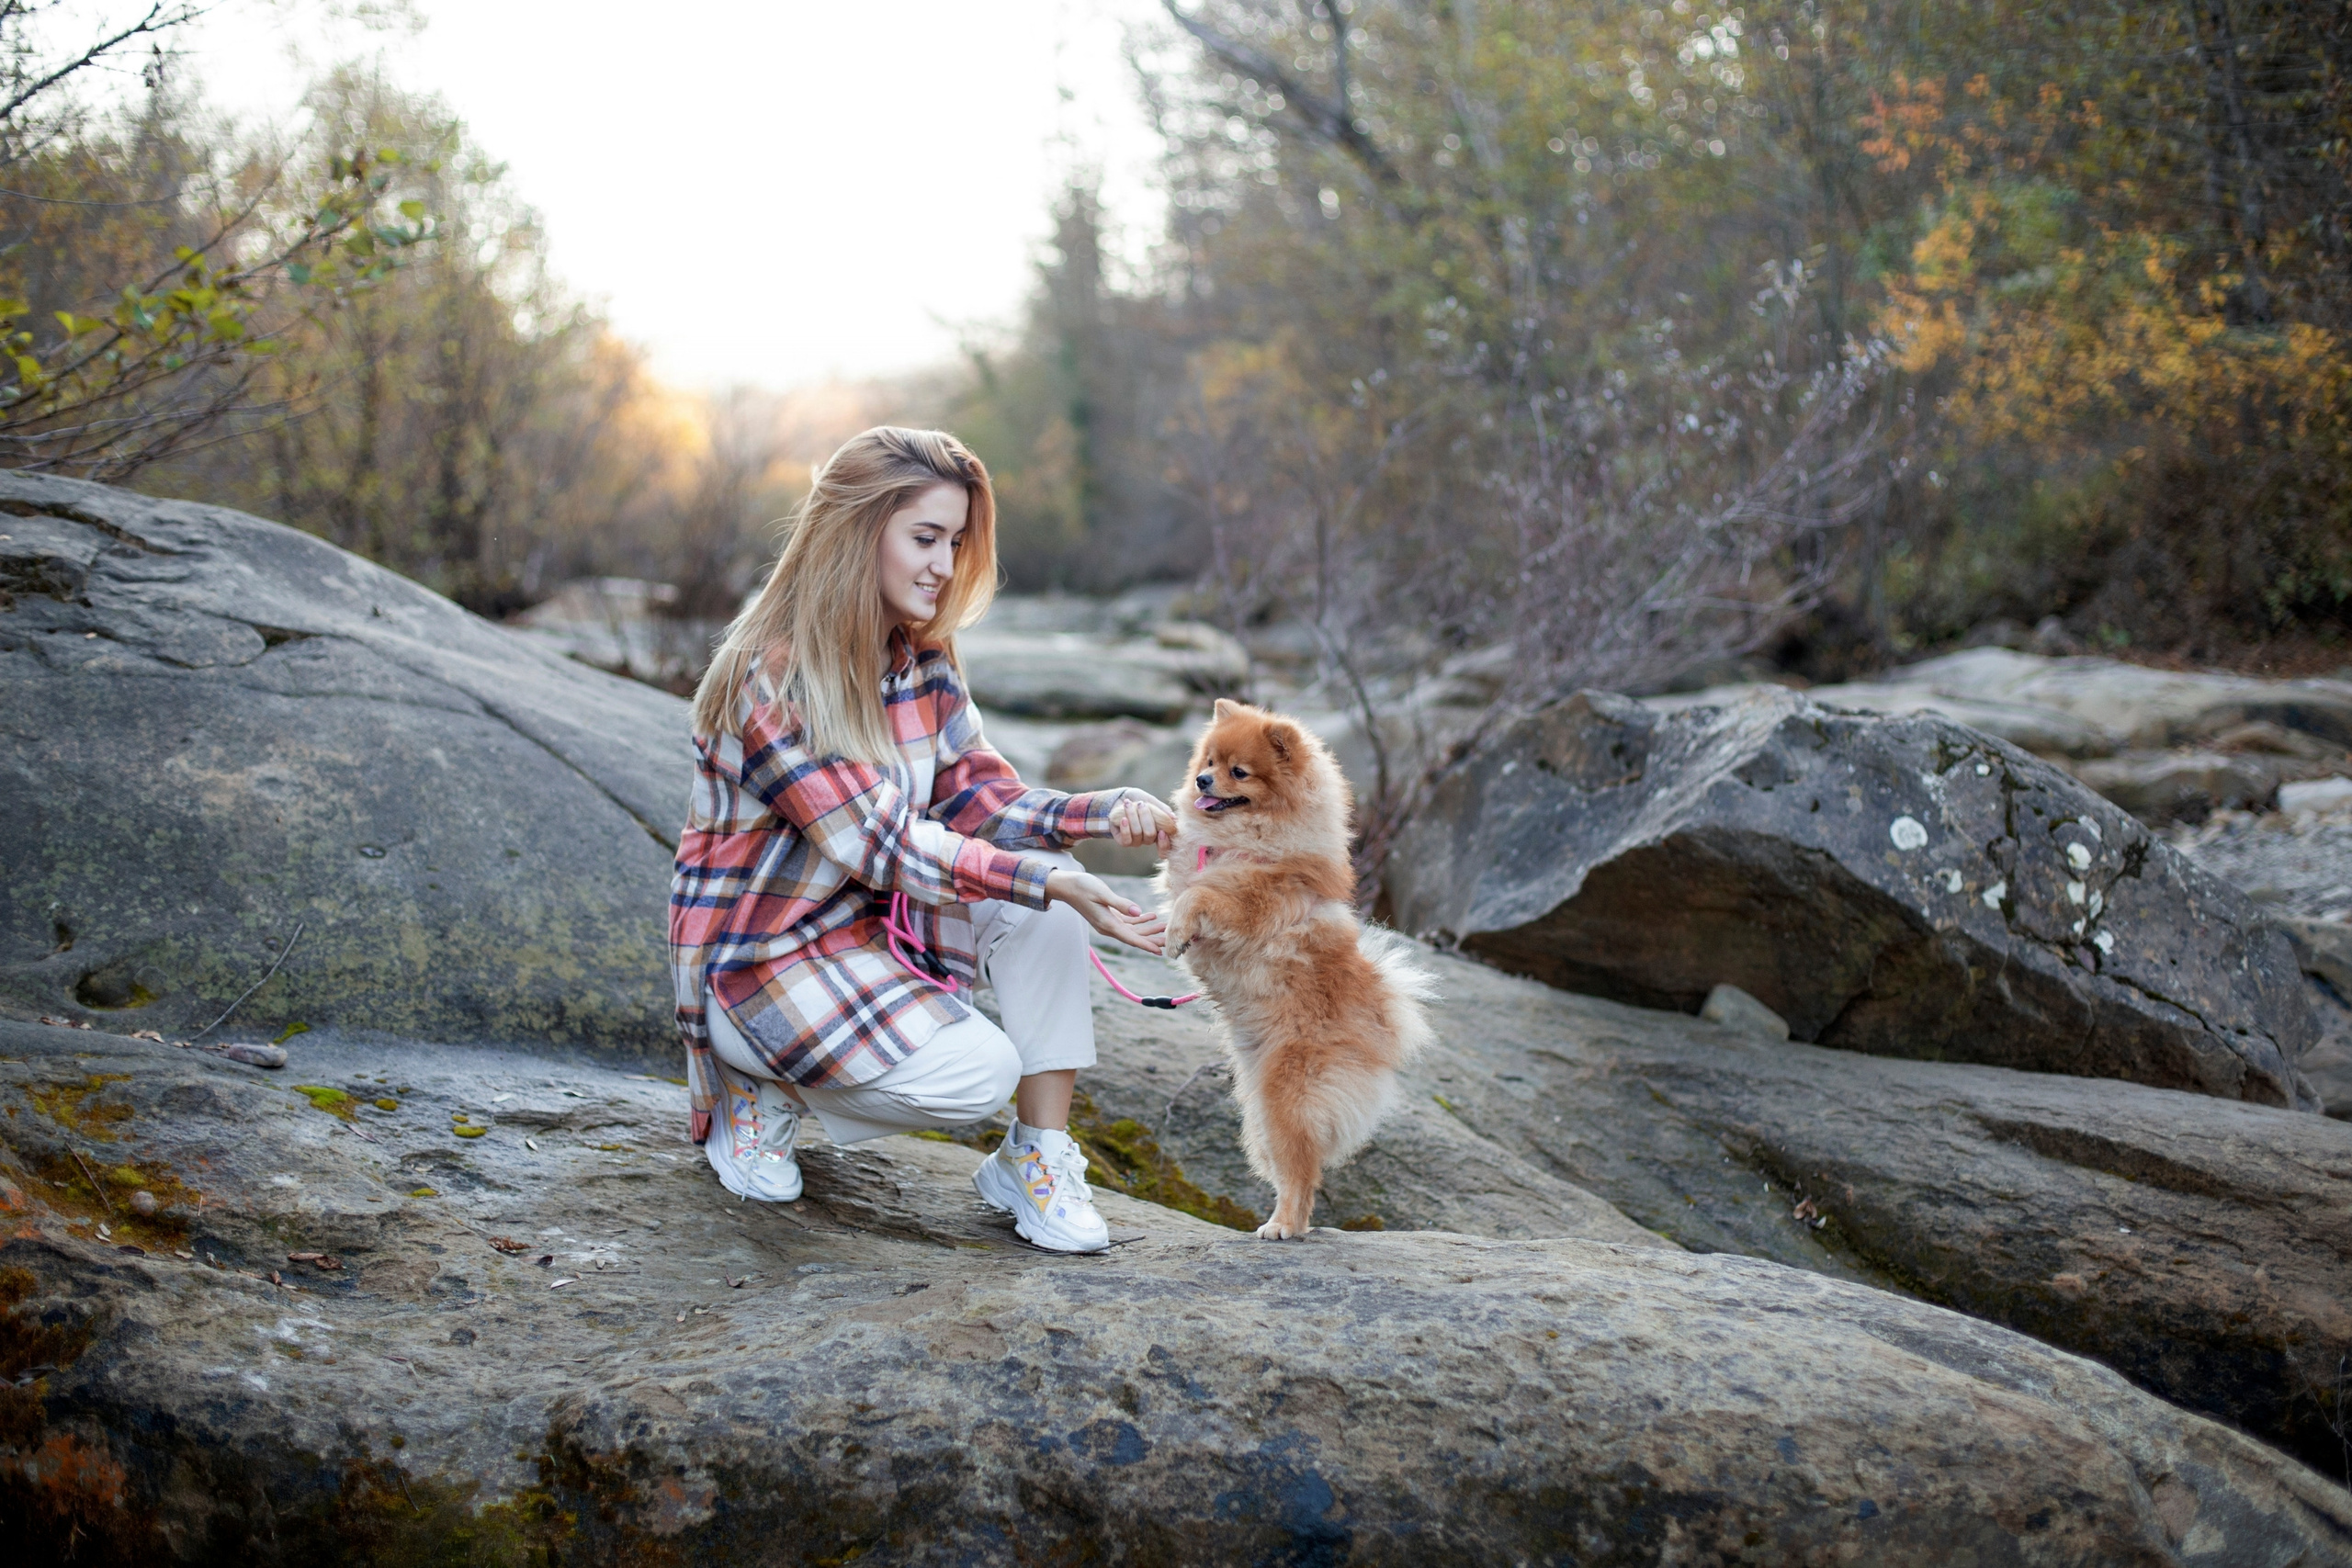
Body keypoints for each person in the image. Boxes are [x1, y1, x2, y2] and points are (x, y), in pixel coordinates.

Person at [669, 426, 1177, 1253]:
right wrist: (1044, 882)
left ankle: (1036, 1158)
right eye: (925, 538)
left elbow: (981, 797)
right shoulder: (770, 676)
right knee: (981, 1067)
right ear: (855, 533)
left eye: (957, 541)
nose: (945, 563)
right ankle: (753, 1086)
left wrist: (1103, 809)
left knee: (1047, 883)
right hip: (761, 964)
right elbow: (882, 844)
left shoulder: (922, 661)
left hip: (871, 938)